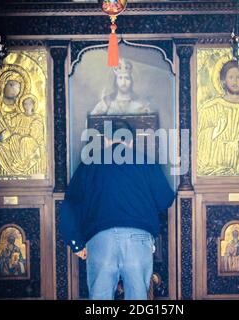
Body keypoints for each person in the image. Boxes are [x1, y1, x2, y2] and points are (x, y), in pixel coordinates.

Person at [59, 120, 175, 300]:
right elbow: (165, 199)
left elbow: (71, 204)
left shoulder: (88, 165)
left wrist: (76, 242)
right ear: (130, 142)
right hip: (138, 239)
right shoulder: (146, 162)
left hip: (100, 239)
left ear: (106, 140)